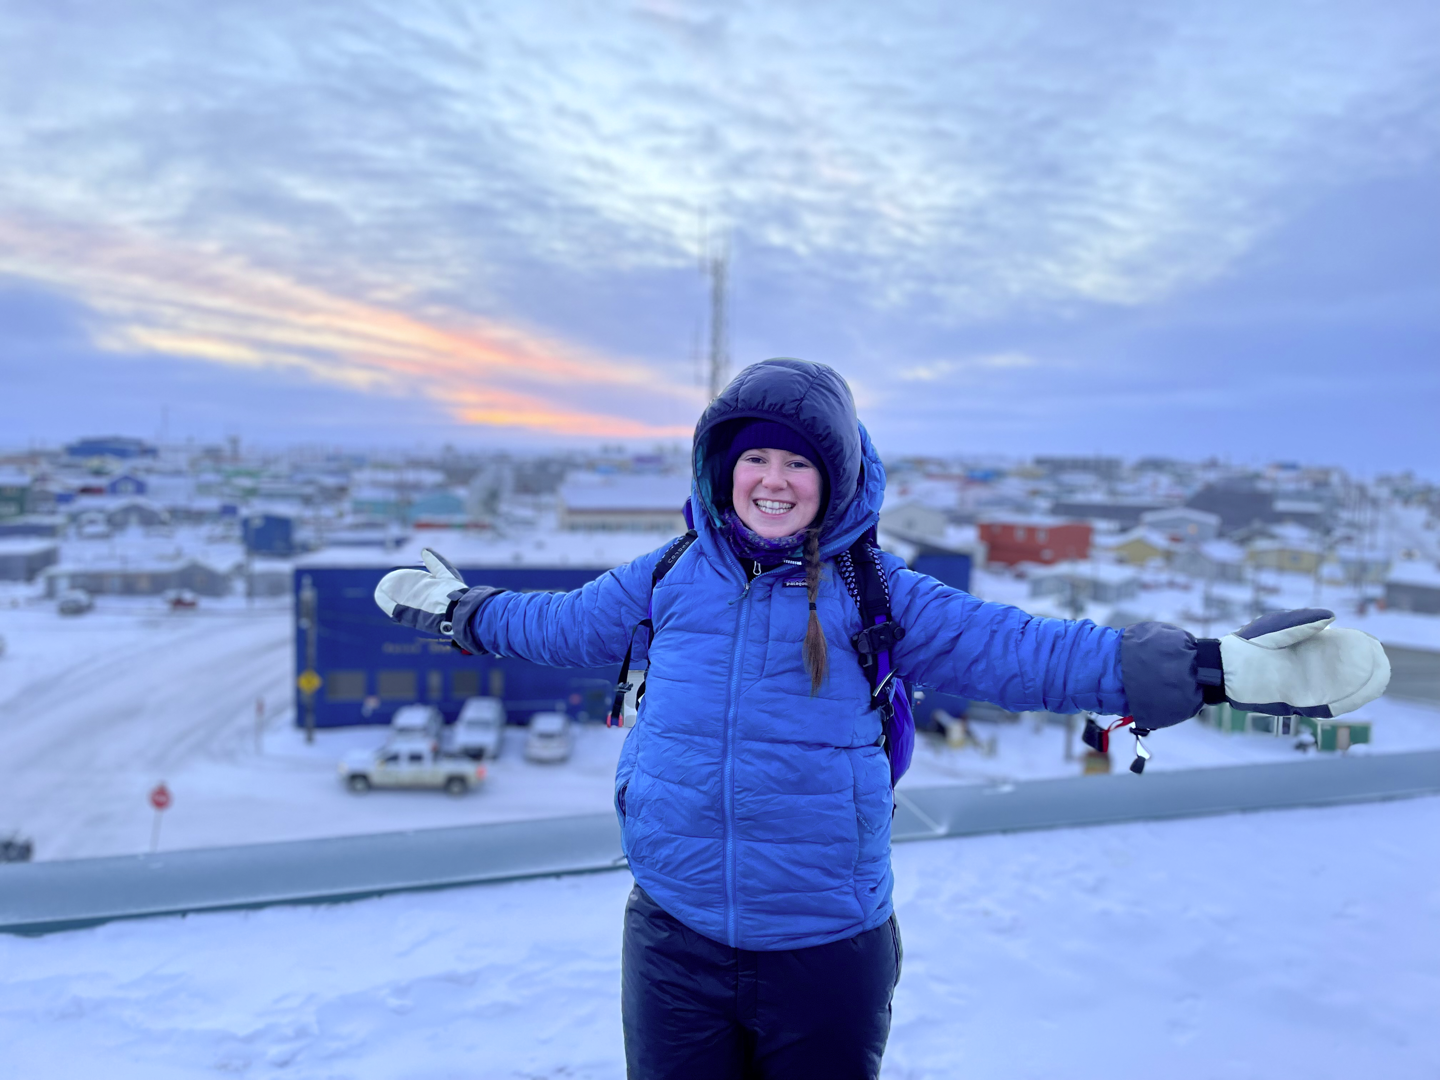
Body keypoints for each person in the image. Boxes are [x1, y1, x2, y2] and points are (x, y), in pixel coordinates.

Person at [375, 357, 1389, 1079]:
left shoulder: (876, 591)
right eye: (754, 459)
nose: (773, 480)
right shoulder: (671, 573)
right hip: (674, 942)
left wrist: (1213, 669)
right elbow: (556, 627)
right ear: (720, 468)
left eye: (799, 464)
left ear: (835, 480)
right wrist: (457, 613)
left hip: (824, 950)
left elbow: (1029, 651)